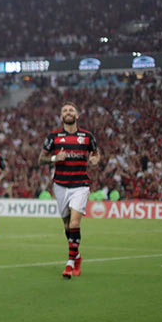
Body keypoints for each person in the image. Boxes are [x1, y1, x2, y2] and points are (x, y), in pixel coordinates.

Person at [38, 102, 100, 279]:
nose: (68, 112)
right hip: (60, 185)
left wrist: (95, 160)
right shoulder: (54, 137)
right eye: (64, 110)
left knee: (74, 224)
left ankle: (69, 263)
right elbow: (41, 159)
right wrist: (56, 158)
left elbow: (95, 153)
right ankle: (77, 256)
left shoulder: (87, 136)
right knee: (67, 226)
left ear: (77, 115)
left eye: (71, 110)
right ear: (61, 116)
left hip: (80, 184)